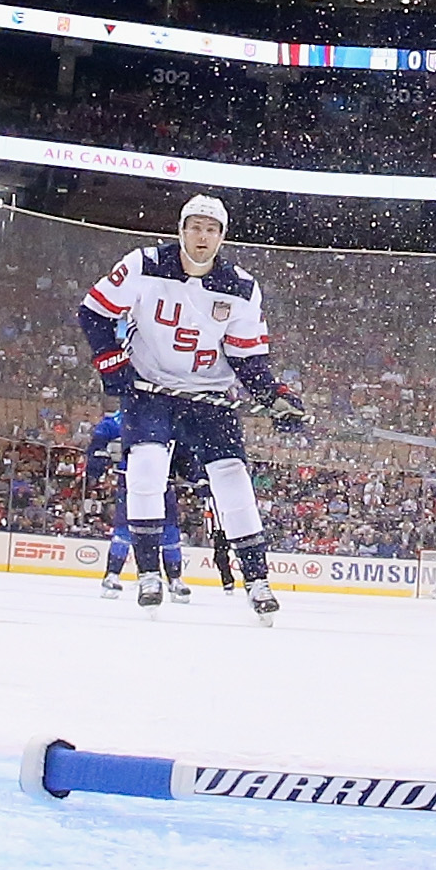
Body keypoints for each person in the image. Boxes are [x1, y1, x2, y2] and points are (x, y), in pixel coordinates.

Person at [77, 195, 308, 622]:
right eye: (195, 227)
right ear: (181, 230)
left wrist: (273, 395)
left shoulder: (240, 287)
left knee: (233, 481)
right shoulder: (143, 264)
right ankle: (149, 574)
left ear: (222, 236)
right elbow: (93, 311)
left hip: (210, 398)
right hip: (151, 391)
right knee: (145, 469)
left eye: (211, 229)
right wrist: (111, 361)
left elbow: (247, 358)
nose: (202, 236)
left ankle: (258, 580)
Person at [91, 410, 189, 601]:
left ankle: (174, 578)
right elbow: (103, 434)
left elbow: (182, 446)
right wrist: (98, 454)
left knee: (169, 531)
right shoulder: (124, 417)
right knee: (125, 528)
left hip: (162, 481)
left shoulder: (169, 418)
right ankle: (112, 575)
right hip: (130, 481)